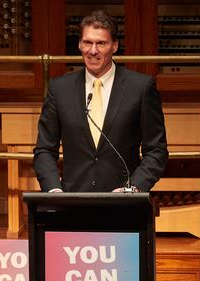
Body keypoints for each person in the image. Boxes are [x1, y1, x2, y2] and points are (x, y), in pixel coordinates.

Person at [33, 10, 168, 193]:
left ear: (114, 46)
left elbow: (156, 151)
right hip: (72, 202)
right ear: (80, 45)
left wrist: (132, 188)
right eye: (87, 42)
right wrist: (53, 190)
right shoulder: (59, 89)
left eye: (101, 43)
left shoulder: (140, 88)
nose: (93, 50)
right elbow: (44, 150)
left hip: (123, 205)